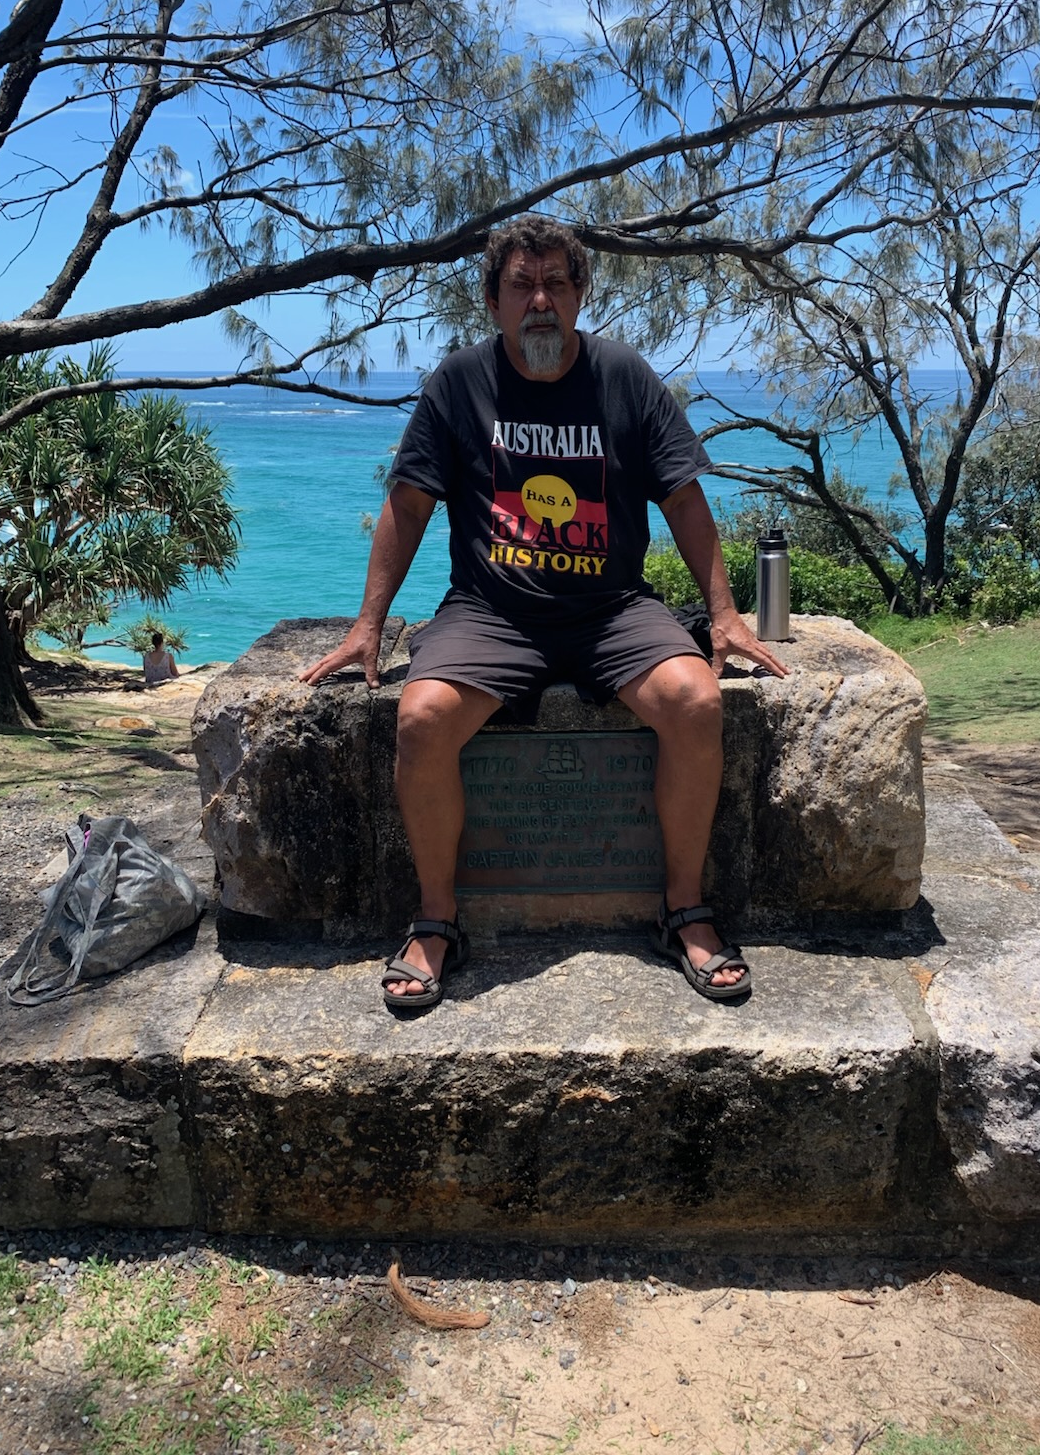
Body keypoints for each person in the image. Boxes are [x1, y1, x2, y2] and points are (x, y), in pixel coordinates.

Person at [300, 215, 789, 1011]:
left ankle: (686, 909)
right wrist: (368, 627)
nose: (539, 301)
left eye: (555, 284)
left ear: (580, 294)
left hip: (612, 610)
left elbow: (684, 499)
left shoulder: (625, 377)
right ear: (491, 301)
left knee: (696, 700)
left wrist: (724, 614)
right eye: (521, 285)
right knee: (421, 717)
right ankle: (435, 920)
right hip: (491, 613)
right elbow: (409, 505)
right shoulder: (458, 384)